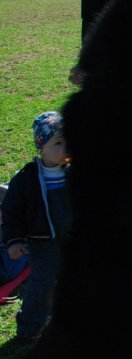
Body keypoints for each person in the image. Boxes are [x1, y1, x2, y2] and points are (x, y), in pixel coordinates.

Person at [1, 112, 71, 342]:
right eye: (59, 143)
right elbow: (12, 213)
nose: (66, 147)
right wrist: (14, 240)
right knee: (40, 286)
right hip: (42, 245)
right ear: (41, 147)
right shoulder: (26, 180)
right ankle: (30, 329)